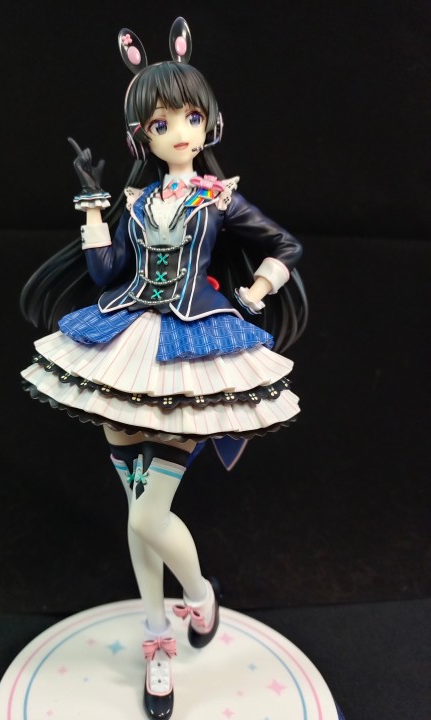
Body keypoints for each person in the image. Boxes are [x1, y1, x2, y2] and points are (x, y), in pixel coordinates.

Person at [20, 17, 306, 720]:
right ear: (141, 136)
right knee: (137, 511)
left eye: (191, 117)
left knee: (150, 512)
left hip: (188, 353)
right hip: (123, 345)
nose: (179, 131)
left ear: (208, 123)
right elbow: (107, 272)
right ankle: (158, 638)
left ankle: (199, 595)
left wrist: (256, 292)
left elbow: (283, 245)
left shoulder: (217, 196)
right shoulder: (139, 201)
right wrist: (94, 204)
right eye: (161, 123)